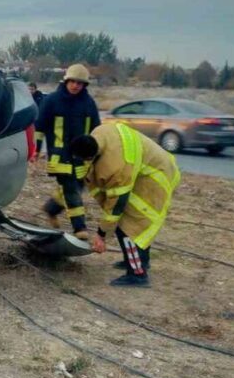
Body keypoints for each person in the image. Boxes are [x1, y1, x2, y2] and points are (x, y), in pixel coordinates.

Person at [68, 122, 181, 287]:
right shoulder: (100, 132)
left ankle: (137, 274)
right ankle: (138, 260)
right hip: (147, 167)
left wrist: (101, 235)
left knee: (128, 226)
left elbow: (116, 207)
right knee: (136, 224)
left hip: (156, 176)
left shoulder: (117, 167)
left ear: (90, 157)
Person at [34, 64, 100, 240]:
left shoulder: (89, 104)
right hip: (60, 156)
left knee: (77, 187)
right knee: (71, 190)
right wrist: (36, 149)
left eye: (80, 83)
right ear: (66, 81)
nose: (75, 86)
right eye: (72, 81)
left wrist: (95, 154)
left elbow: (96, 131)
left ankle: (51, 208)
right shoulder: (52, 101)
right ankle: (80, 228)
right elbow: (38, 127)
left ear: (84, 85)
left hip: (81, 159)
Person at [28, 82, 45, 158]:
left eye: (32, 89)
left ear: (35, 89)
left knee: (38, 137)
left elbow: (41, 108)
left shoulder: (39, 97)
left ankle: (37, 151)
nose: (30, 91)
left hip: (38, 120)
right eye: (29, 89)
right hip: (29, 120)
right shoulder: (26, 96)